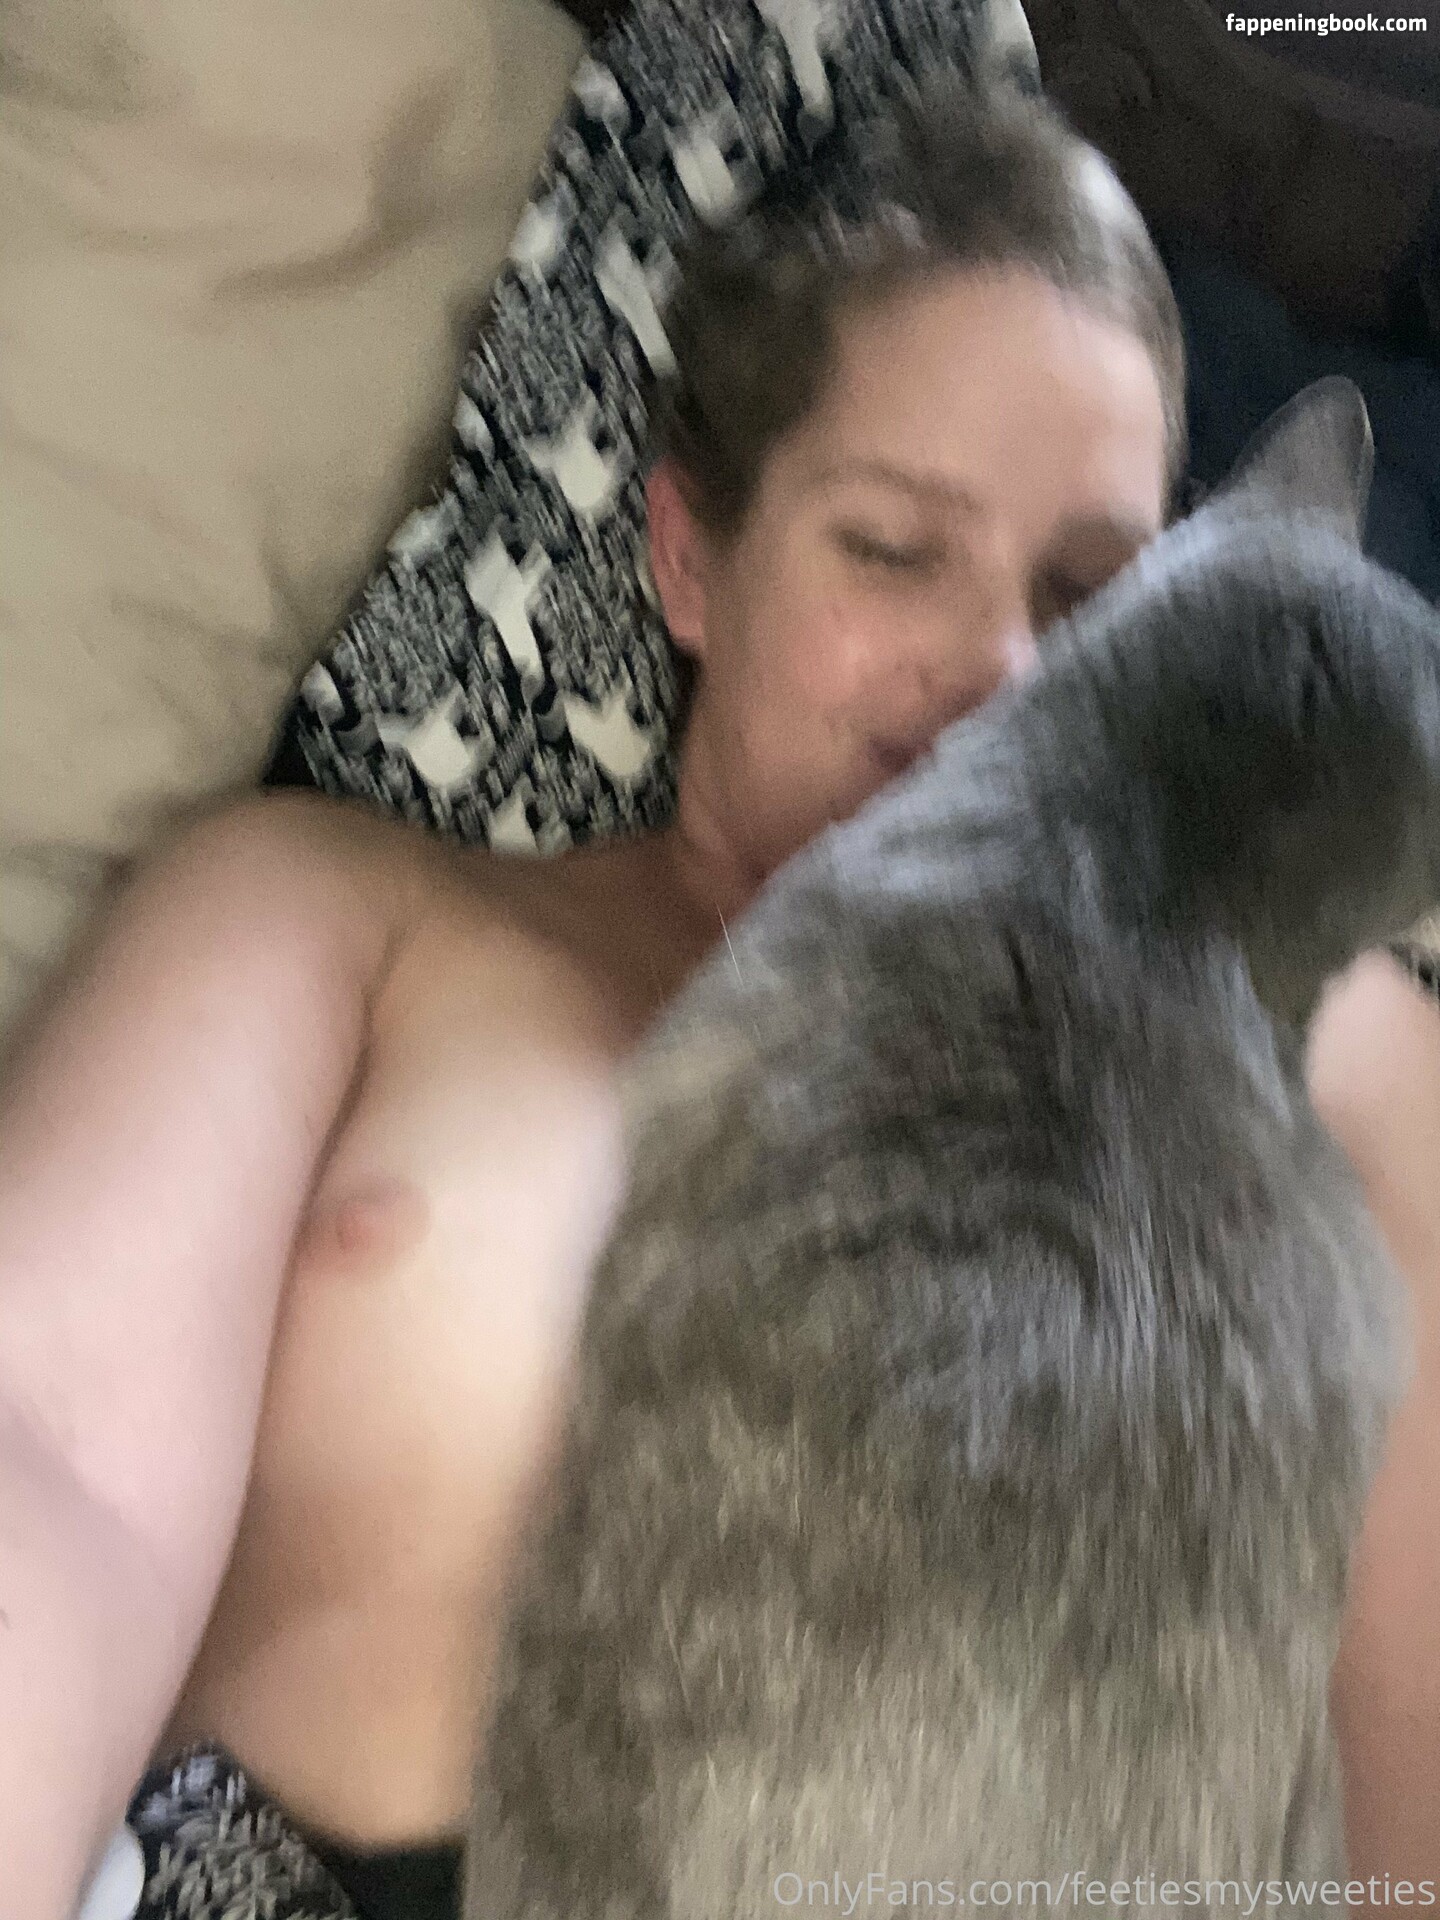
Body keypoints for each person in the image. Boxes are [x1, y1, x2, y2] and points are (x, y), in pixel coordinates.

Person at [0, 79, 1435, 1920]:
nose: (1008, 668)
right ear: (690, 559)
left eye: (1095, 597)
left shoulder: (1325, 1044)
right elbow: (50, 1471)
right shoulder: (344, 927)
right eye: (893, 548)